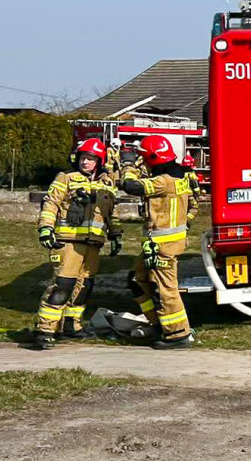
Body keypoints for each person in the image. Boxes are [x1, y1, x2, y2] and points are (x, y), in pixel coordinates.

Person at [32, 138, 121, 350]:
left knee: (83, 288)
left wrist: (116, 233)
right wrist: (46, 228)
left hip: (93, 244)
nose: (86, 162)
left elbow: (111, 211)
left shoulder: (106, 183)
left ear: (99, 161)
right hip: (68, 242)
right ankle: (44, 331)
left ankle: (72, 326)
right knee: (63, 286)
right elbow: (51, 203)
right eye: (83, 158)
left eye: (91, 159)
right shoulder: (66, 178)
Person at [119, 135, 197, 349]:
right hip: (156, 244)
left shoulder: (164, 181)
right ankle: (157, 323)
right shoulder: (177, 174)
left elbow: (131, 186)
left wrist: (127, 164)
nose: (142, 162)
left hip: (164, 245)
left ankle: (177, 334)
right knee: (136, 279)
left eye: (144, 158)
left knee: (164, 289)